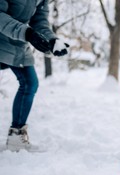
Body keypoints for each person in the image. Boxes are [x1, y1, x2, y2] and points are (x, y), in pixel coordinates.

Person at [0, 0, 69, 152]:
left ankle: (16, 137)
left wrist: (52, 39)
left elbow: (39, 21)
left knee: (30, 84)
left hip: (18, 43)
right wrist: (27, 33)